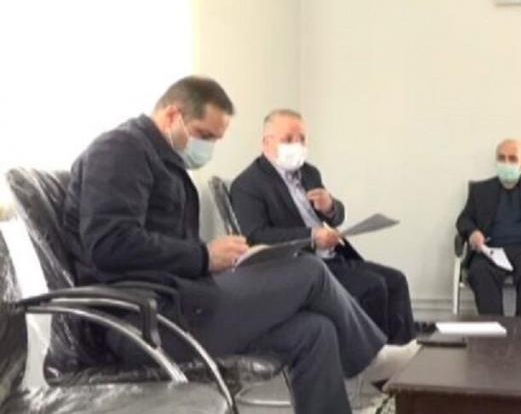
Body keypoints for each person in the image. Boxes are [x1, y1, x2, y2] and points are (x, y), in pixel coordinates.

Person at [62, 76, 418, 414]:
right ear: (172, 115)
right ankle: (372, 360)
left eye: (215, 139)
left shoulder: (163, 163)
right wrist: (205, 256)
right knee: (310, 270)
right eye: (204, 135)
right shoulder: (120, 150)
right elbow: (109, 244)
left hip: (179, 304)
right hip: (143, 325)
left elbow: (160, 248)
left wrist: (234, 258)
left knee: (315, 330)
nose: (208, 147)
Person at [230, 109, 415, 345]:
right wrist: (312, 236)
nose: (297, 145)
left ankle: (405, 354)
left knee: (396, 280)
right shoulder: (248, 184)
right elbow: (256, 236)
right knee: (372, 286)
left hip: (334, 255)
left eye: (302, 139)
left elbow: (336, 217)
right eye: (288, 139)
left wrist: (330, 207)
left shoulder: (309, 172)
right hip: (301, 265)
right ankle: (375, 357)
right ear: (266, 142)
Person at [455, 139, 521, 316]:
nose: (507, 163)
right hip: (491, 252)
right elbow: (464, 219)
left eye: (513, 159)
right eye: (502, 158)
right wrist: (472, 232)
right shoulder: (480, 190)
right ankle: (494, 329)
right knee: (480, 272)